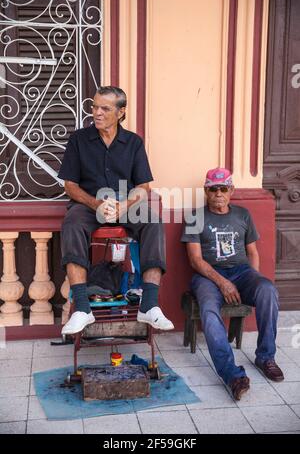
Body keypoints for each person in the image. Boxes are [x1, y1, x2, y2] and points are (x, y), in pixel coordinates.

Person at [58, 86, 174, 335]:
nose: (96, 113)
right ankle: (82, 308)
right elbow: (70, 185)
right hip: (89, 205)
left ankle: (150, 305)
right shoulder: (79, 139)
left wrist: (125, 205)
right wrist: (96, 204)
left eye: (105, 108)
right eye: (94, 107)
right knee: (72, 223)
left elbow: (143, 186)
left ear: (121, 112)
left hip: (125, 205)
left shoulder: (133, 142)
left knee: (153, 222)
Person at [181, 167, 284, 400]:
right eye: (213, 189)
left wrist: (253, 280)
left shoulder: (243, 214)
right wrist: (223, 282)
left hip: (241, 272)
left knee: (267, 289)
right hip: (208, 275)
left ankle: (266, 357)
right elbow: (195, 260)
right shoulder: (195, 217)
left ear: (231, 190)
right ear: (206, 191)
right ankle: (232, 374)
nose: (219, 193)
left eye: (223, 188)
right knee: (208, 309)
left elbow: (253, 252)